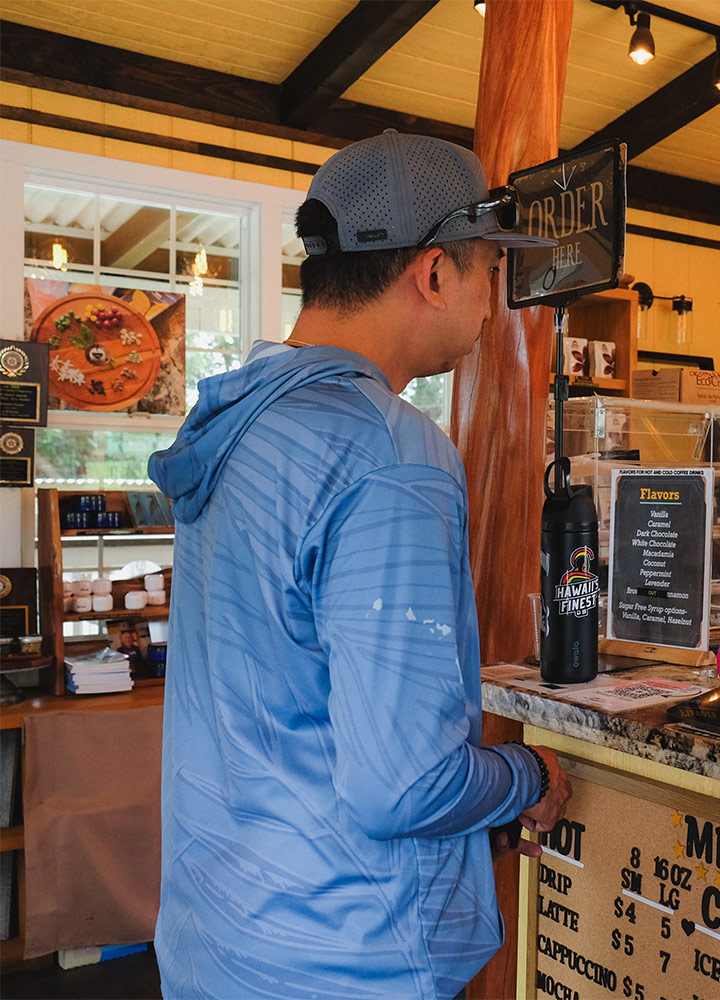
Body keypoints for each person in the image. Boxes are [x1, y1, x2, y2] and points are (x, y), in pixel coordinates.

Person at [148, 130, 571, 999]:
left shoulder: (240, 419)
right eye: (493, 270)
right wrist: (527, 776)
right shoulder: (391, 454)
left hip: (214, 933)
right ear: (434, 273)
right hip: (342, 959)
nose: (497, 305)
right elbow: (403, 784)